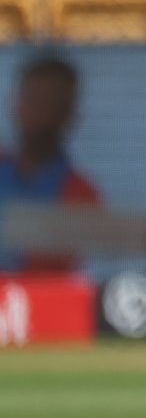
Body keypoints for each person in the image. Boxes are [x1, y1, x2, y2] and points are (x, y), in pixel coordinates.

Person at [0, 57, 98, 274]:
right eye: (32, 100)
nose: (39, 113)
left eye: (50, 103)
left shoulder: (81, 195)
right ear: (16, 104)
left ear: (68, 113)